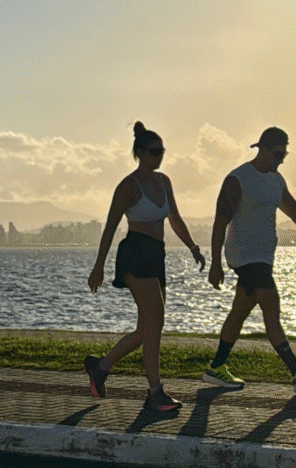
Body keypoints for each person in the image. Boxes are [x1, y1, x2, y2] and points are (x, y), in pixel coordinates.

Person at [202, 127, 296, 392]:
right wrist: (215, 263)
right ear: (262, 149)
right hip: (244, 257)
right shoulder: (237, 179)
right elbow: (219, 223)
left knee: (239, 312)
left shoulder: (276, 181)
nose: (281, 159)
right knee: (271, 308)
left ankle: (217, 367)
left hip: (264, 257)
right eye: (277, 154)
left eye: (284, 154)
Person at [85, 122, 206, 412]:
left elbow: (174, 219)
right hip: (135, 252)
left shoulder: (164, 181)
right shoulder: (128, 186)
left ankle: (101, 367)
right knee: (156, 318)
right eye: (154, 152)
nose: (159, 156)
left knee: (148, 328)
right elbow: (111, 227)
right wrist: (98, 266)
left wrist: (192, 247)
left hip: (157, 255)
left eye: (162, 151)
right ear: (140, 153)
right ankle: (155, 393)